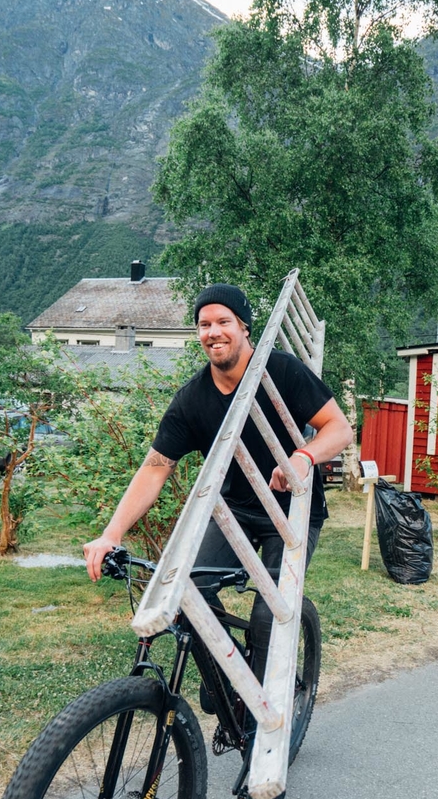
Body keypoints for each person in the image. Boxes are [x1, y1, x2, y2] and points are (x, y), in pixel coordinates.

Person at [83, 284, 353, 687]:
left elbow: (339, 428)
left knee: (269, 618)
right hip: (234, 512)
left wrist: (303, 456)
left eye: (223, 321)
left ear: (244, 327)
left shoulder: (281, 370)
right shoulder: (192, 400)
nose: (213, 332)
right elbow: (155, 469)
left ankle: (261, 705)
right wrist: (111, 533)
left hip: (292, 511)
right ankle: (229, 685)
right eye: (204, 324)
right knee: (188, 596)